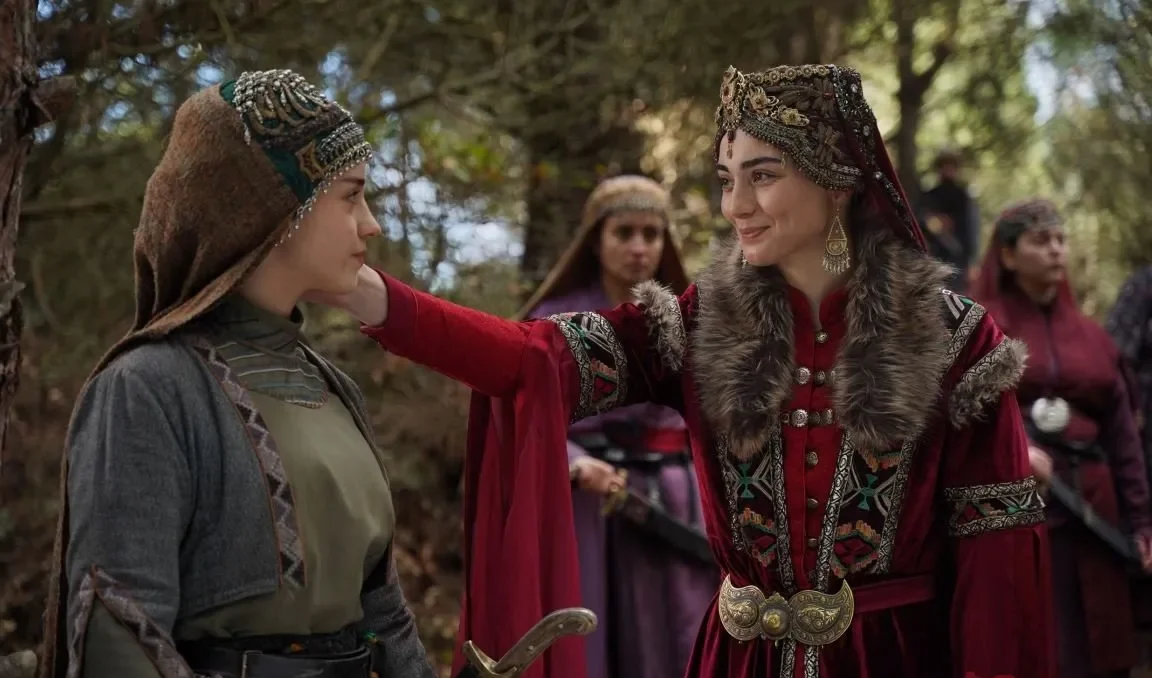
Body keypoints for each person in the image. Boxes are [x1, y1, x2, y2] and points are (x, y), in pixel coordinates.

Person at [313, 64, 1054, 678]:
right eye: (726, 179)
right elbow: (532, 355)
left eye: (762, 176)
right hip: (736, 662)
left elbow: (1000, 574)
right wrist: (369, 294)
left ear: (837, 180)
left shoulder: (954, 340)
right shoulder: (700, 323)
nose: (735, 206)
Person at [39, 70, 434, 678]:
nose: (371, 223)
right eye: (351, 196)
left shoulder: (334, 388)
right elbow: (120, 635)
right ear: (277, 210)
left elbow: (384, 614)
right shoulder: (147, 388)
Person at [518, 175, 716, 678]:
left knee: (686, 634)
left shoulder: (690, 319)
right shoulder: (555, 322)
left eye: (651, 234)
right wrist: (576, 461)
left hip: (676, 502)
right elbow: (525, 413)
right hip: (592, 502)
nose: (638, 247)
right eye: (624, 233)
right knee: (598, 635)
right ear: (596, 241)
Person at [970, 198, 1152, 678]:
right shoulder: (978, 329)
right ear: (1008, 255)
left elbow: (1124, 439)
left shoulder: (1092, 338)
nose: (1055, 250)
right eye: (1040, 240)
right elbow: (959, 416)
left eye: (1060, 240)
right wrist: (1014, 448)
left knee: (1102, 650)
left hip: (1095, 514)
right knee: (1037, 647)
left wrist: (1141, 523)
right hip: (1015, 515)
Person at [920, 149, 980, 292]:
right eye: (944, 166)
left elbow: (971, 228)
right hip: (934, 255)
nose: (947, 170)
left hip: (958, 256)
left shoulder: (963, 196)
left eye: (951, 166)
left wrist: (971, 261)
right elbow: (923, 221)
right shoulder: (929, 195)